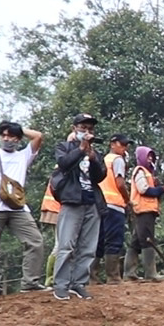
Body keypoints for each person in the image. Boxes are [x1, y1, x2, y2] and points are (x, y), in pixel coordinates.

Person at [0, 121, 46, 296]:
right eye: (3, 135)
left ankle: (30, 283)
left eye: (11, 136)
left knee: (35, 241)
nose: (6, 139)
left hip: (18, 208)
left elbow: (38, 136)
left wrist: (18, 128)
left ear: (18, 139)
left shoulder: (23, 156)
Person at [52, 113, 107, 301]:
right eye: (83, 127)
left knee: (88, 247)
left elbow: (100, 176)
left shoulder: (95, 152)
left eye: (90, 128)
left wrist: (91, 158)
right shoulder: (64, 147)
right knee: (66, 245)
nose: (87, 131)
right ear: (74, 128)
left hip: (92, 201)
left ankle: (79, 283)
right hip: (71, 201)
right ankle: (61, 285)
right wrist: (81, 149)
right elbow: (64, 164)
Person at [128, 145, 164, 282]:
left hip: (144, 210)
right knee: (147, 240)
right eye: (148, 156)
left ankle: (129, 272)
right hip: (144, 209)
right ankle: (151, 273)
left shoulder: (148, 173)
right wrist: (160, 190)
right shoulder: (140, 171)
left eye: (152, 156)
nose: (150, 159)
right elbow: (144, 190)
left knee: (136, 241)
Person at [95, 133, 133, 284]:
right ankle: (113, 277)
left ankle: (93, 277)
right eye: (122, 144)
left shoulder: (103, 159)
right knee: (114, 241)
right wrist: (127, 200)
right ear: (113, 144)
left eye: (126, 145)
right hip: (114, 205)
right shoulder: (118, 160)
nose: (125, 148)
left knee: (98, 240)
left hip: (99, 204)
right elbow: (120, 183)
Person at [39, 178, 60, 287]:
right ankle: (51, 279)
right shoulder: (67, 165)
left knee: (60, 244)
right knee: (60, 245)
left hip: (54, 207)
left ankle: (52, 278)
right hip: (57, 208)